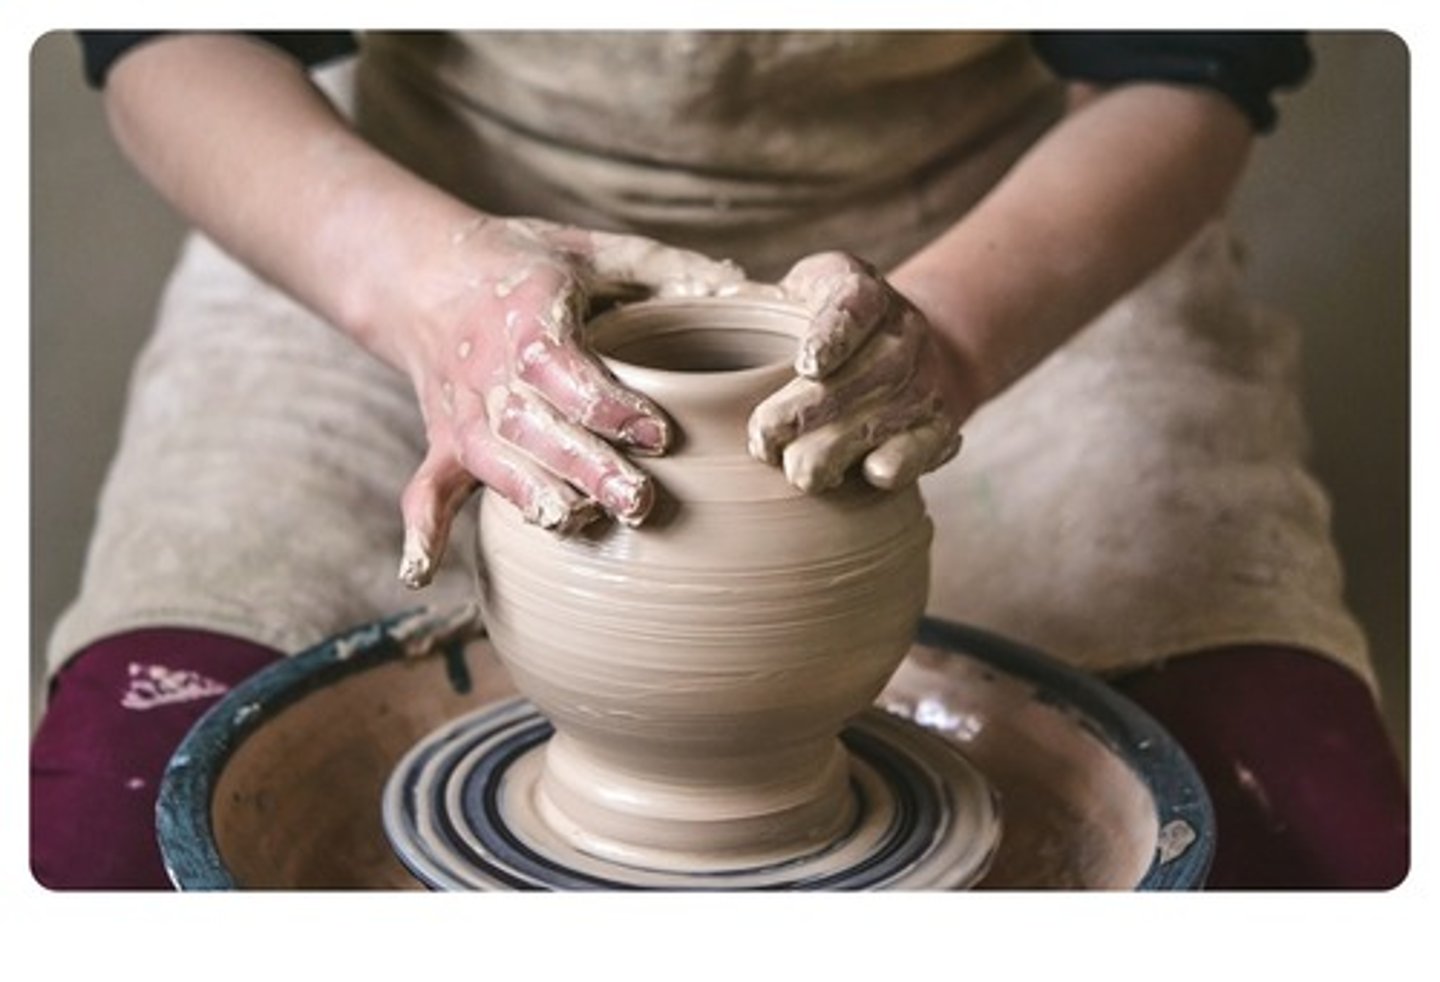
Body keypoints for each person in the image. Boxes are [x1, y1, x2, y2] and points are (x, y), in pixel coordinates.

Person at [31, 29, 1408, 890]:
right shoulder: (412, 271)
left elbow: (1189, 70)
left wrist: (957, 339)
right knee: (112, 842)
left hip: (992, 244)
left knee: (1292, 848)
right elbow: (164, 39)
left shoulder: (972, 298)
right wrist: (423, 291)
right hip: (403, 238)